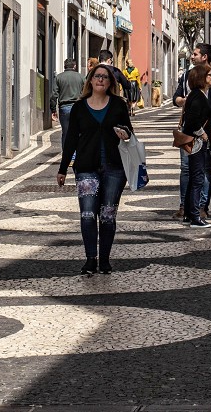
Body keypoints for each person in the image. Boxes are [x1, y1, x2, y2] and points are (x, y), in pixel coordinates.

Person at [57, 63, 132, 275]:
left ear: (110, 83)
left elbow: (130, 131)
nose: (100, 80)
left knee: (108, 215)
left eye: (105, 77)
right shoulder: (79, 107)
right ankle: (91, 258)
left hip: (114, 168)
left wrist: (124, 133)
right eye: (97, 76)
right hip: (85, 168)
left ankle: (105, 259)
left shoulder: (118, 104)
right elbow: (70, 139)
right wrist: (63, 169)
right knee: (88, 214)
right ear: (90, 80)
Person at [172, 42, 211, 219]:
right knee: (186, 168)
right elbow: (176, 98)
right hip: (188, 129)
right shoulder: (188, 76)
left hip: (207, 132)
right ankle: (185, 206)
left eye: (195, 54)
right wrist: (183, 101)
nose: (192, 56)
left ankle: (202, 206)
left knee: (204, 170)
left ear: (204, 57)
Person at [180, 64, 211, 227]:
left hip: (195, 143)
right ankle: (194, 216)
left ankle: (188, 213)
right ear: (201, 78)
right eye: (209, 75)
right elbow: (192, 120)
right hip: (197, 143)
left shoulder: (196, 94)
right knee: (198, 178)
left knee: (195, 178)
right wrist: (203, 133)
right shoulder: (198, 96)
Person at [50, 58, 85, 148]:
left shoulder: (59, 77)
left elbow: (54, 95)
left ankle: (67, 156)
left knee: (66, 133)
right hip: (78, 107)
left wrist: (53, 110)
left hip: (64, 108)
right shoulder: (81, 77)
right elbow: (87, 92)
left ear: (64, 66)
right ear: (75, 66)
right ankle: (75, 157)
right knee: (77, 132)